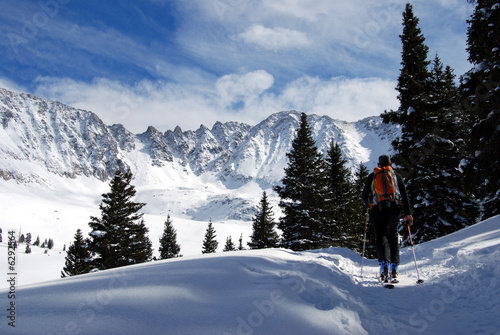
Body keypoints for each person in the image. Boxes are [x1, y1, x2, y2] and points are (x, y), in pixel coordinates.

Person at [362, 155, 413, 281]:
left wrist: (369, 205)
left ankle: (384, 264)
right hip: (394, 210)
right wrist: (408, 213)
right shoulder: (396, 176)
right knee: (392, 235)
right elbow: (405, 196)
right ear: (390, 164)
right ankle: (394, 266)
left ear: (379, 165)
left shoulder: (373, 176)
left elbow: (364, 195)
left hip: (378, 210)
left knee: (381, 236)